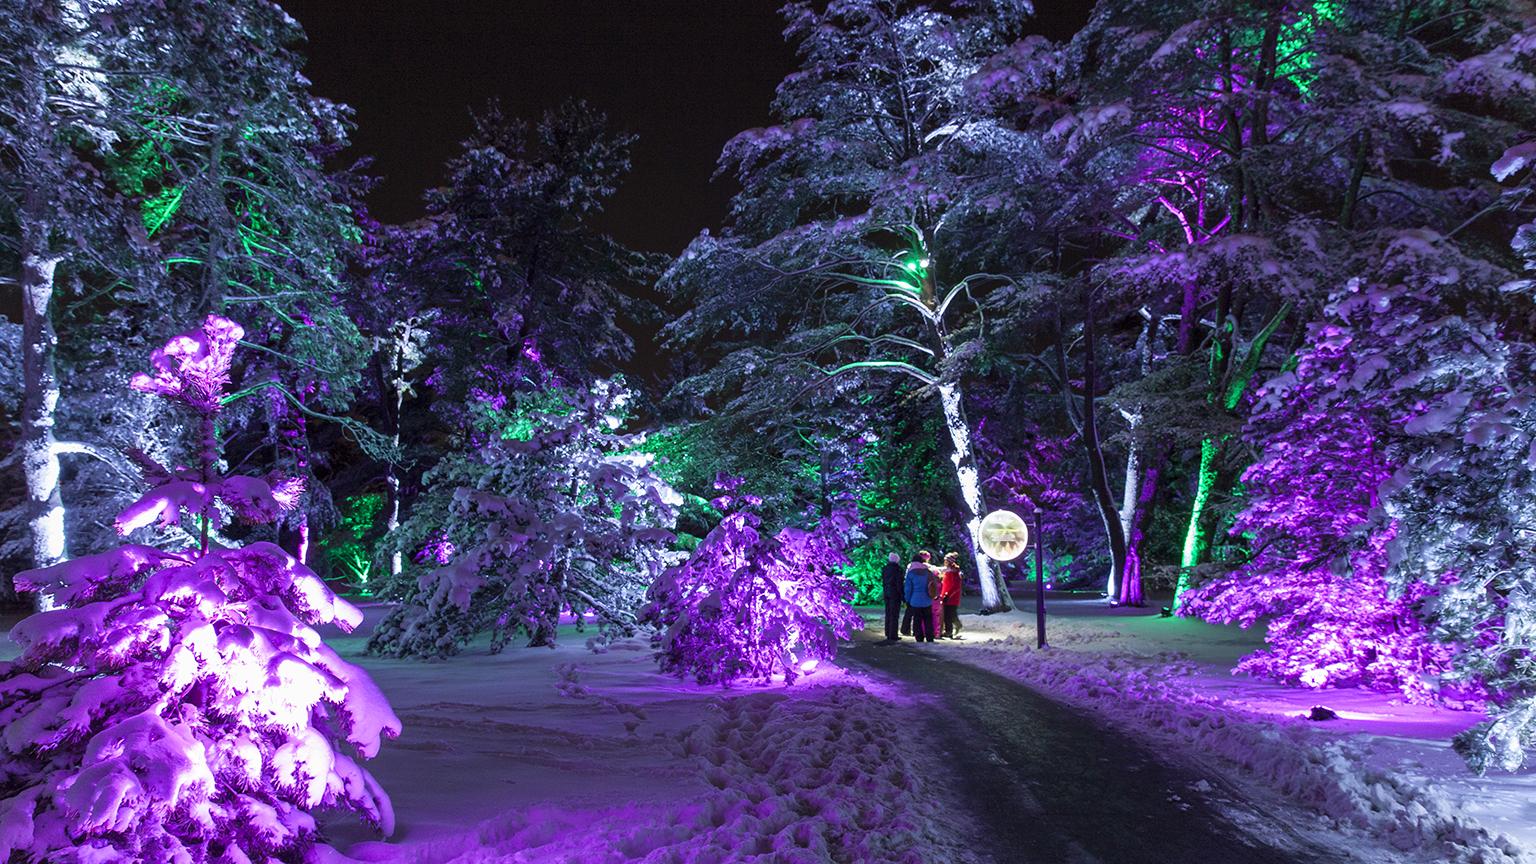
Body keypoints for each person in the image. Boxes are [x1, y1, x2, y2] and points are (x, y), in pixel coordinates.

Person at [903, 551, 936, 642]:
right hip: (927, 600)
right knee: (928, 620)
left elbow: (908, 589)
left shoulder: (911, 573)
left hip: (915, 601)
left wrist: (907, 600)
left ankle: (919, 637)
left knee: (917, 620)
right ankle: (930, 637)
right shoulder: (928, 572)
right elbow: (934, 585)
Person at [880, 552, 905, 643]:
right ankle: (893, 634)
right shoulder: (898, 570)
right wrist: (902, 595)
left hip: (887, 592)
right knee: (894, 614)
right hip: (895, 594)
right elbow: (899, 584)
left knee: (888, 613)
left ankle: (888, 632)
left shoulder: (885, 569)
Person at [939, 552, 964, 639]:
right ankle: (955, 626)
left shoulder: (954, 572)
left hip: (952, 597)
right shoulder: (948, 571)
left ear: (949, 562)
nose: (944, 562)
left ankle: (949, 631)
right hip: (947, 596)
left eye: (946, 561)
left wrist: (947, 595)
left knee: (948, 614)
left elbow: (955, 586)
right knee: (950, 613)